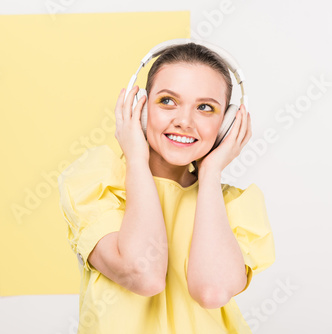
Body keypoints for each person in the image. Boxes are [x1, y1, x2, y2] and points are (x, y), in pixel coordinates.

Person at [57, 42, 276, 333]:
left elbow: (210, 291)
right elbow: (143, 275)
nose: (184, 121)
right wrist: (136, 158)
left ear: (227, 124)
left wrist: (210, 173)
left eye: (205, 108)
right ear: (141, 108)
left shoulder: (235, 206)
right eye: (168, 101)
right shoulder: (97, 185)